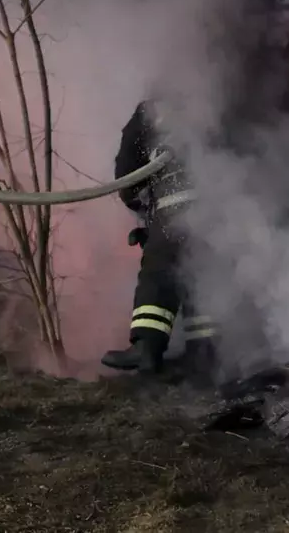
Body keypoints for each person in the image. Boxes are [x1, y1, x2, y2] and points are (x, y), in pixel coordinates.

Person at [100, 98, 219, 377]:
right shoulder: (216, 99)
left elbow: (127, 174)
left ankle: (147, 348)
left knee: (159, 272)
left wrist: (141, 210)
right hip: (219, 209)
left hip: (175, 205)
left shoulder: (149, 111)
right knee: (200, 274)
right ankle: (204, 350)